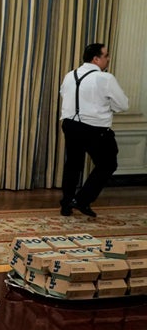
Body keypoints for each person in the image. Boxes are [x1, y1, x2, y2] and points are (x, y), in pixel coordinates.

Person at [59, 43, 128, 217]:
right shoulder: (105, 78)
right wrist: (107, 106)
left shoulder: (70, 75)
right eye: (106, 55)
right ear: (96, 59)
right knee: (108, 164)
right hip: (94, 129)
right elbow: (123, 105)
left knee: (73, 165)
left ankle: (66, 204)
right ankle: (82, 200)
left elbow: (64, 94)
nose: (108, 59)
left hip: (71, 125)